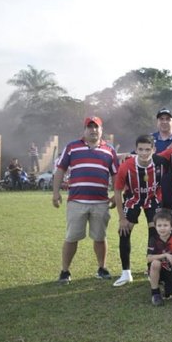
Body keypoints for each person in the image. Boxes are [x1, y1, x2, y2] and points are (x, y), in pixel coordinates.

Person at [53, 116, 118, 285]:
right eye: (90, 127)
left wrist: (118, 196)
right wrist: (55, 192)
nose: (93, 130)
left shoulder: (109, 150)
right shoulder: (72, 147)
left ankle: (102, 268)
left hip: (100, 202)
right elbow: (60, 170)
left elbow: (117, 175)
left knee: (100, 237)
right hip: (76, 202)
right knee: (71, 237)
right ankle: (65, 271)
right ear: (84, 130)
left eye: (96, 127)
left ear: (101, 130)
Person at [113, 134, 163, 287]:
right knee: (124, 231)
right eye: (140, 149)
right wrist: (121, 218)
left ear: (153, 150)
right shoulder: (126, 166)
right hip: (133, 199)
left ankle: (151, 270)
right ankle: (126, 273)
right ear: (135, 150)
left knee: (155, 233)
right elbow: (117, 191)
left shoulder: (160, 163)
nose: (144, 153)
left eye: (147, 149)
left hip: (152, 199)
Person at [147, 209, 172, 306]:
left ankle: (167, 288)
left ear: (171, 227)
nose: (162, 228)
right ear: (155, 227)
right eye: (159, 225)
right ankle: (155, 293)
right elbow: (148, 258)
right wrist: (165, 255)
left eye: (165, 225)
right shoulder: (153, 239)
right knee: (156, 262)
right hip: (158, 269)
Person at [151, 107, 172, 210]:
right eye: (161, 119)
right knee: (156, 221)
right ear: (157, 122)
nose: (164, 122)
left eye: (168, 119)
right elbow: (137, 155)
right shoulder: (150, 138)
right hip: (154, 186)